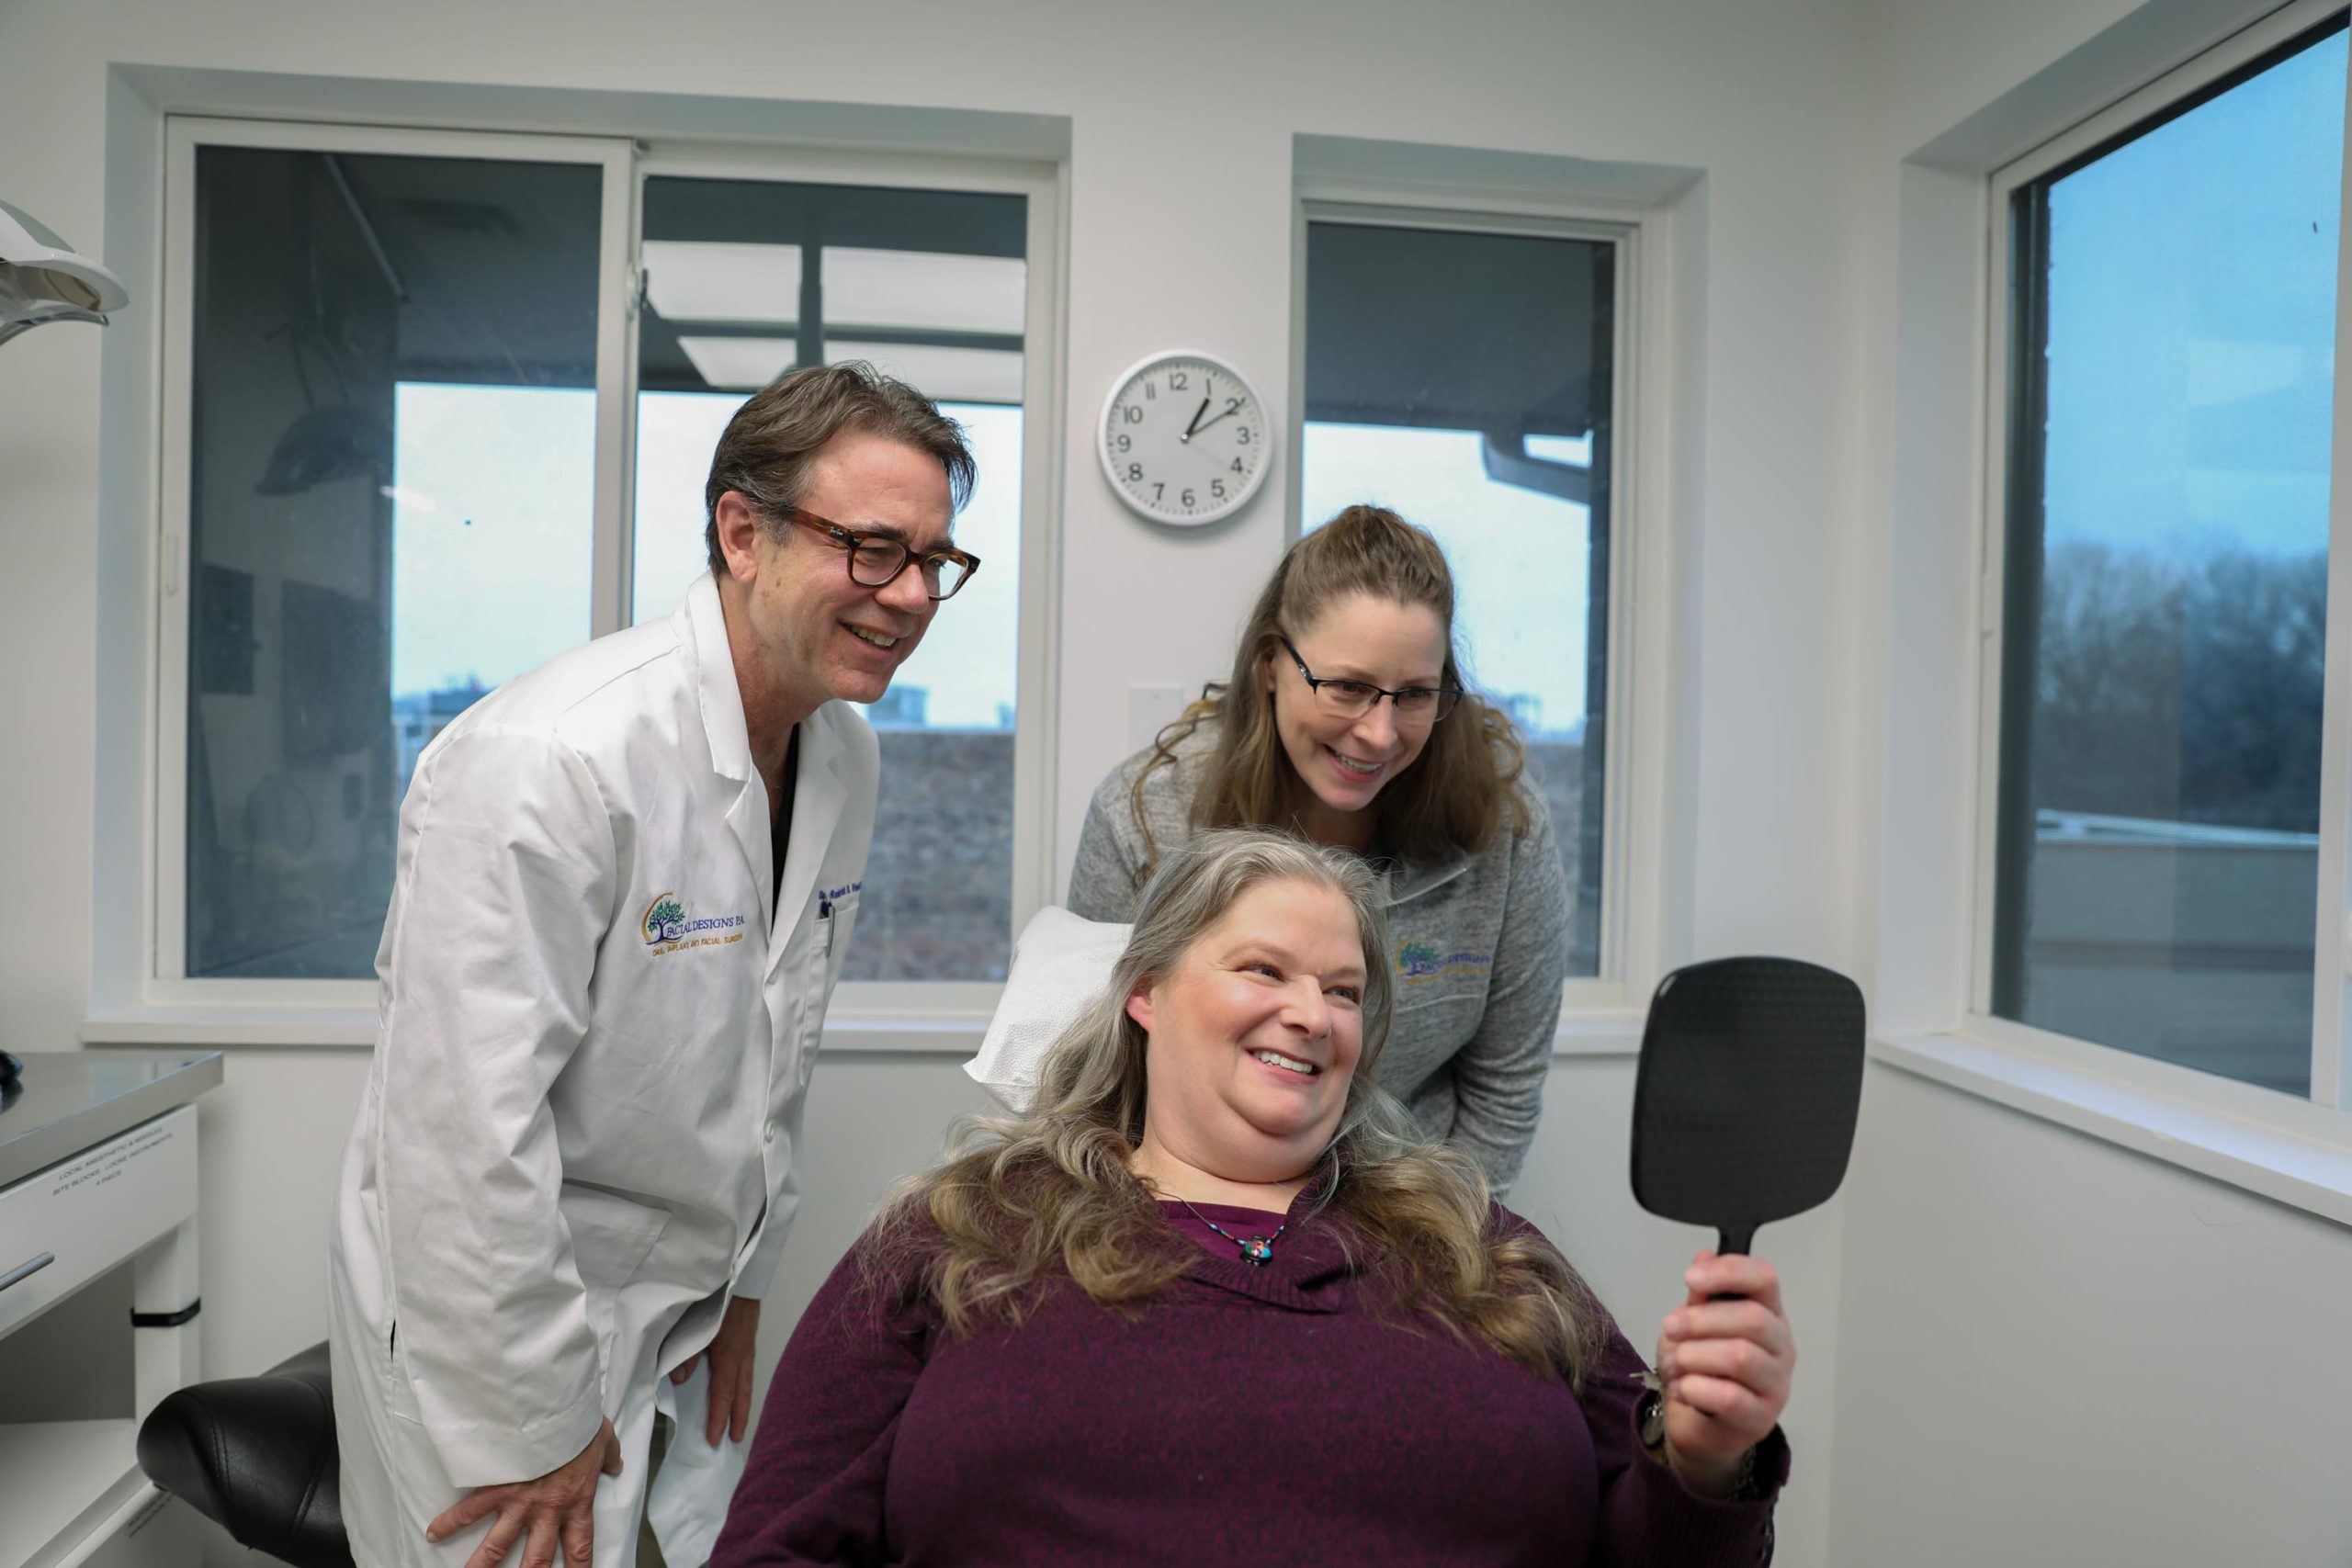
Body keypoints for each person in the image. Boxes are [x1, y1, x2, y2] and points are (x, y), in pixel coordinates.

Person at [715, 829, 1792, 1568]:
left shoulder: (1485, 1257)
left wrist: (1700, 1462)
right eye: (1264, 971)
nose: (1309, 1015)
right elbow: (780, 1545)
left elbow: (1662, 1546)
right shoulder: (959, 1237)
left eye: (1342, 992)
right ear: (1144, 992)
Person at [325, 363, 983, 1568]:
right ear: (743, 531)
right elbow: (462, 1129)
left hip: (676, 1295)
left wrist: (742, 1290)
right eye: (875, 548)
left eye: (937, 560)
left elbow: (779, 1052)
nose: (911, 596)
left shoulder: (841, 756)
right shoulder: (552, 759)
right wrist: (530, 1420)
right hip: (495, 1320)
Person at [1067, 504, 1569, 1193]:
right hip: (1186, 1213)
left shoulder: (1504, 826)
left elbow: (1502, 1092)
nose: (1379, 732)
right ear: (1271, 664)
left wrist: (1429, 1252)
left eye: (1415, 694)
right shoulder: (1146, 818)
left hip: (1410, 1217)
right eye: (1348, 688)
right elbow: (1096, 1088)